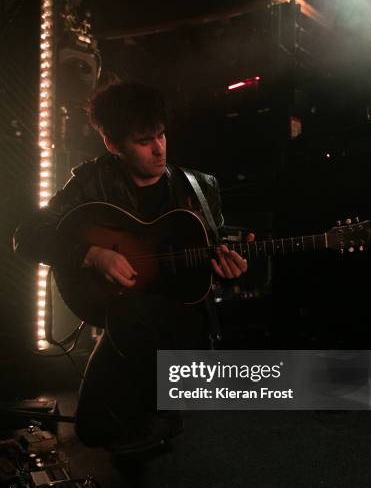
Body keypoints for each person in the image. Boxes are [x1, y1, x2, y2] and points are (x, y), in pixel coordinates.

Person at [14, 80, 253, 457]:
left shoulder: (200, 187)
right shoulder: (92, 181)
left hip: (182, 318)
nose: (159, 149)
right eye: (144, 141)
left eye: (161, 135)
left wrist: (230, 269)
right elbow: (26, 236)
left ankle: (165, 407)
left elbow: (214, 256)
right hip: (124, 317)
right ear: (113, 145)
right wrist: (91, 254)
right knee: (93, 431)